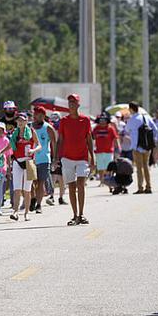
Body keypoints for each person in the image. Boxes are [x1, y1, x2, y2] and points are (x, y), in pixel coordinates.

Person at [53, 93, 95, 226]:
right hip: (67, 158)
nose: (71, 104)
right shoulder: (64, 121)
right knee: (71, 186)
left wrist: (92, 158)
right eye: (69, 102)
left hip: (82, 157)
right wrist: (55, 157)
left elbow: (89, 140)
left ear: (78, 105)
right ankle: (75, 215)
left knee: (81, 184)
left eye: (74, 102)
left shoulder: (85, 120)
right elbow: (60, 140)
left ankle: (81, 214)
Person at [6, 112, 40, 221]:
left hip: (29, 162)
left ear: (26, 121)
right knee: (17, 189)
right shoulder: (14, 134)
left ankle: (26, 213)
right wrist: (0, 152)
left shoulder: (31, 131)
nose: (19, 122)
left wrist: (33, 150)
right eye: (18, 120)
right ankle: (15, 212)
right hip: (17, 162)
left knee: (27, 190)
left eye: (22, 120)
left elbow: (39, 145)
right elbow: (9, 145)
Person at [126, 101, 158, 194]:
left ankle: (140, 187)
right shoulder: (146, 117)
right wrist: (151, 140)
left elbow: (127, 129)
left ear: (131, 109)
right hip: (147, 146)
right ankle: (149, 187)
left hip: (137, 147)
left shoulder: (132, 119)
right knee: (146, 166)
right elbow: (155, 129)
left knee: (139, 168)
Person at [32, 106, 56, 213]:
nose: (39, 117)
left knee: (41, 183)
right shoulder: (29, 127)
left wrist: (55, 158)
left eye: (41, 115)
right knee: (32, 182)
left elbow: (54, 144)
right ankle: (33, 199)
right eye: (37, 114)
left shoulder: (48, 128)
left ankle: (38, 204)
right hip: (31, 159)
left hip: (44, 159)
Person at [92, 114, 120, 186]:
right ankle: (102, 181)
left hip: (109, 151)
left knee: (108, 167)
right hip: (99, 151)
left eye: (104, 120)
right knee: (100, 167)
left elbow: (115, 138)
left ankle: (108, 180)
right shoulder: (96, 128)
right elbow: (92, 137)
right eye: (101, 120)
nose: (102, 122)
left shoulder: (110, 128)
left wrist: (118, 148)